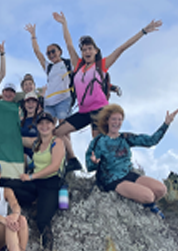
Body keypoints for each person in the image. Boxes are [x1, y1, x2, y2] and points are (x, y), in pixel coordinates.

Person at [52, 11, 162, 171]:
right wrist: (64, 24)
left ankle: (107, 173)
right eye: (84, 49)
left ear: (96, 51)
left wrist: (143, 31)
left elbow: (121, 48)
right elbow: (68, 44)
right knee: (56, 132)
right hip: (83, 112)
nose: (87, 52)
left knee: (99, 148)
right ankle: (70, 161)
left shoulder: (101, 65)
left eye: (90, 48)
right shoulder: (78, 65)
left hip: (100, 111)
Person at [86, 105, 178, 218]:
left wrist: (166, 124)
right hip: (111, 180)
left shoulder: (125, 137)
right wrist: (94, 163)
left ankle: (141, 200)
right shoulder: (99, 141)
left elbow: (150, 141)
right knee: (149, 196)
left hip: (127, 174)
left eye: (120, 119)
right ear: (107, 121)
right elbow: (89, 166)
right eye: (114, 119)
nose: (117, 122)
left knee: (161, 189)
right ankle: (149, 205)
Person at [20, 112, 65, 251]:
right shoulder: (36, 143)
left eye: (48, 123)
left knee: (42, 221)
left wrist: (32, 177)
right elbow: (19, 139)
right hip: (36, 184)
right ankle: (35, 201)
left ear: (53, 125)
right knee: (8, 185)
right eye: (41, 123)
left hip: (50, 184)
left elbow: (55, 166)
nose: (44, 126)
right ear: (37, 126)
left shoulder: (57, 142)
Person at [25, 24, 73, 122]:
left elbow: (69, 44)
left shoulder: (69, 63)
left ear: (60, 51)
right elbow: (37, 52)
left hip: (63, 100)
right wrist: (33, 36)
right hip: (49, 102)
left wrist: (64, 24)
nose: (51, 54)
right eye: (48, 53)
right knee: (48, 129)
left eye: (53, 51)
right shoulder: (49, 67)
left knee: (63, 129)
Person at [20, 91, 44, 159]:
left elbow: (39, 143)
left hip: (36, 159)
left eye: (33, 102)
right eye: (28, 102)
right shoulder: (19, 122)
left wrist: (17, 139)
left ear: (37, 104)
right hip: (19, 159)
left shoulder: (41, 121)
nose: (30, 104)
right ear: (24, 104)